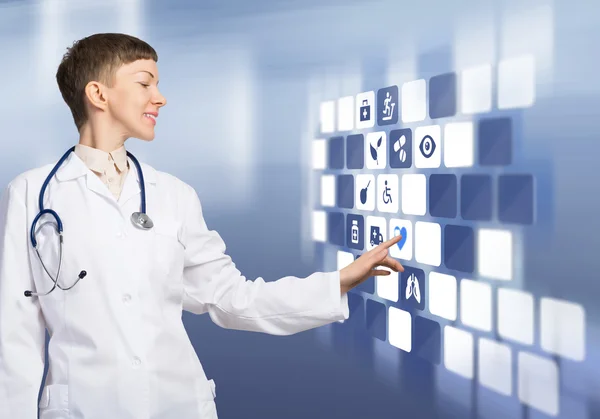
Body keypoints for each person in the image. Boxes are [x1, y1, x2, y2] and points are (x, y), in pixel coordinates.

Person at [0, 33, 404, 419]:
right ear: (98, 94)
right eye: (145, 83)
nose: (160, 97)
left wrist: (337, 283)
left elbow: (231, 299)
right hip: (85, 406)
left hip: (176, 403)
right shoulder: (33, 195)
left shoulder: (173, 195)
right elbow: (16, 337)